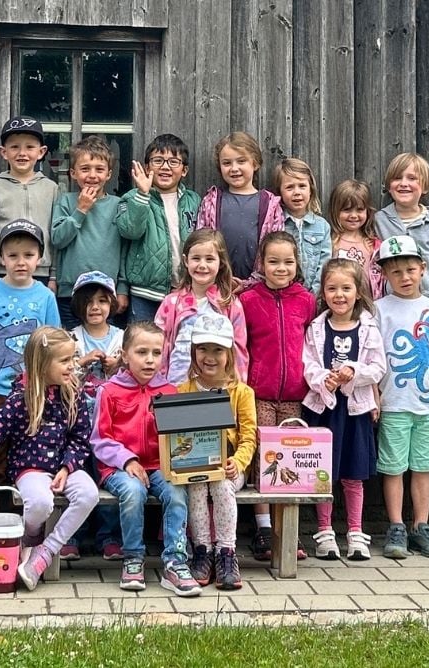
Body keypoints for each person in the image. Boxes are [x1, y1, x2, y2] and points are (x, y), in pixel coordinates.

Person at [0, 327, 98, 591]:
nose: (72, 366)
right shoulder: (19, 401)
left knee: (88, 494)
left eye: (73, 359)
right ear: (42, 363)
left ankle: (46, 552)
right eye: (64, 361)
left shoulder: (73, 395)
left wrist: (67, 466)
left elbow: (81, 438)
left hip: (64, 468)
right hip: (30, 469)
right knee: (39, 502)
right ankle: (28, 540)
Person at [91, 322, 203, 597]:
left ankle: (175, 562)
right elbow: (100, 439)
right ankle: (133, 557)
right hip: (120, 468)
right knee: (132, 492)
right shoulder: (109, 391)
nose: (150, 360)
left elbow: (180, 438)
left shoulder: (170, 392)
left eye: (156, 352)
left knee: (177, 493)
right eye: (142, 352)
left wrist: (185, 456)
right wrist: (127, 460)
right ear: (125, 355)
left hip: (160, 465)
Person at [0, 219, 62, 511]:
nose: (21, 262)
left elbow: (53, 348)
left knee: (25, 459)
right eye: (13, 255)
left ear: (40, 259)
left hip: (31, 395)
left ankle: (20, 525)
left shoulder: (45, 297)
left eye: (29, 255)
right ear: (0, 258)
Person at [374, 235, 429, 559]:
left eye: (410, 269)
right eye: (396, 272)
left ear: (423, 268)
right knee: (393, 466)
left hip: (427, 406)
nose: (404, 277)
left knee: (424, 466)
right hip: (393, 403)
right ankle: (396, 525)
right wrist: (374, 396)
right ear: (384, 275)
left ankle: (421, 525)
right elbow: (374, 356)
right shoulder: (380, 310)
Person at [237, 231, 315, 562]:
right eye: (273, 261)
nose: (280, 268)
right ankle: (264, 528)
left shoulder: (307, 301)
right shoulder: (250, 300)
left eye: (287, 262)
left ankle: (288, 528)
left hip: (295, 396)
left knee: (291, 462)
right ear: (261, 264)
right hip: (260, 395)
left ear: (297, 264)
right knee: (263, 459)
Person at [302, 259, 384, 561]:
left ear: (358, 293)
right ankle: (324, 532)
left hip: (356, 412)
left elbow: (378, 367)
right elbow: (307, 363)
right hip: (324, 410)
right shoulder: (316, 327)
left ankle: (355, 532)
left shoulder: (368, 328)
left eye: (346, 288)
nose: (339, 295)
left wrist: (353, 370)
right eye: (332, 288)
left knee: (354, 472)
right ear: (323, 293)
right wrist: (325, 378)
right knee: (324, 473)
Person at [178, 314, 257, 590]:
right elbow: (177, 437)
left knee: (220, 483)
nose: (209, 357)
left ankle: (226, 552)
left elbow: (249, 437)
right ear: (193, 352)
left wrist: (239, 461)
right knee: (198, 485)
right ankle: (203, 551)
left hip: (229, 469)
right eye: (202, 349)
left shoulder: (242, 393)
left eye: (217, 350)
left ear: (229, 355)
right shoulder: (184, 390)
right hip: (195, 467)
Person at [64, 270, 124, 561]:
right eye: (89, 301)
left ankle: (109, 536)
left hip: (111, 426)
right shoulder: (71, 338)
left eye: (102, 300)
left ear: (112, 304)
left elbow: (132, 378)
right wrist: (82, 362)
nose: (96, 307)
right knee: (77, 475)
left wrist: (118, 365)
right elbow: (61, 378)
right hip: (76, 427)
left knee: (107, 475)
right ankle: (70, 535)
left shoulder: (122, 339)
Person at [118, 134, 201, 323]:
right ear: (147, 167)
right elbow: (131, 231)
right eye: (158, 161)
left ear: (184, 170)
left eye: (173, 162)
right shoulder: (132, 198)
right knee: (145, 344)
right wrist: (143, 194)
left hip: (185, 289)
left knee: (181, 346)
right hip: (145, 293)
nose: (165, 167)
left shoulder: (194, 201)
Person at [51, 135, 128, 329]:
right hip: (70, 293)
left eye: (99, 169)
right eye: (85, 169)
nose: (92, 175)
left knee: (103, 347)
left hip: (106, 293)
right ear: (73, 173)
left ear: (109, 174)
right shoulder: (66, 201)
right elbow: (58, 239)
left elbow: (125, 250)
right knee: (70, 348)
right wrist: (81, 211)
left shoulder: (118, 205)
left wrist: (122, 288)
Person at [154, 229, 250, 383]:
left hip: (216, 390)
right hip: (175, 386)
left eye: (210, 259)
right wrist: (158, 385)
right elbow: (157, 345)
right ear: (186, 261)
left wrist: (237, 385)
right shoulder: (171, 303)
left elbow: (239, 349)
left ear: (221, 263)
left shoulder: (230, 303)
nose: (202, 265)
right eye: (196, 258)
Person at [0, 115, 58, 290]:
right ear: (3, 152)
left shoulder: (51, 189)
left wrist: (53, 275)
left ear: (41, 152)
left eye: (30, 147)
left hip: (40, 272)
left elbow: (55, 235)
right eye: (15, 147)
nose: (22, 153)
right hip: (0, 271)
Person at [195, 132, 285, 283]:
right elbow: (200, 243)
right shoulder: (211, 202)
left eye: (241, 161)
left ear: (255, 163)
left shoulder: (270, 205)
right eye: (227, 163)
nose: (234, 168)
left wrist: (252, 282)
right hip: (217, 284)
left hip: (259, 288)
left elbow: (276, 248)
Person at [374, 153, 429, 304]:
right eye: (397, 178)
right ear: (389, 187)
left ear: (425, 187)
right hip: (394, 299)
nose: (404, 183)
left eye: (412, 178)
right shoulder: (379, 221)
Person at [272, 157, 331, 295]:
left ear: (311, 189)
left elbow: (324, 265)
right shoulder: (276, 223)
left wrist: (313, 296)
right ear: (279, 192)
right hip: (283, 296)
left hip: (313, 297)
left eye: (302, 186)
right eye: (289, 187)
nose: (297, 192)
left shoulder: (322, 226)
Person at [328, 179, 386, 299]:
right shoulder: (331, 242)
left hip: (368, 305)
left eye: (359, 210)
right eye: (347, 210)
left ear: (367, 211)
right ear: (335, 211)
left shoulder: (373, 245)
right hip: (339, 303)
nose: (353, 215)